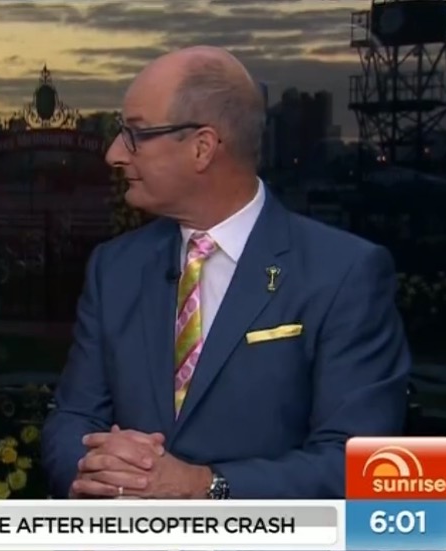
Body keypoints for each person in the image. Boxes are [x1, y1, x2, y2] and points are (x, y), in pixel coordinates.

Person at [41, 46, 411, 501]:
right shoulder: (115, 267)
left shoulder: (343, 273)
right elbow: (72, 419)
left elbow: (359, 464)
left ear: (202, 148)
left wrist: (205, 486)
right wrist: (96, 477)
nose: (114, 153)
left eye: (135, 134)